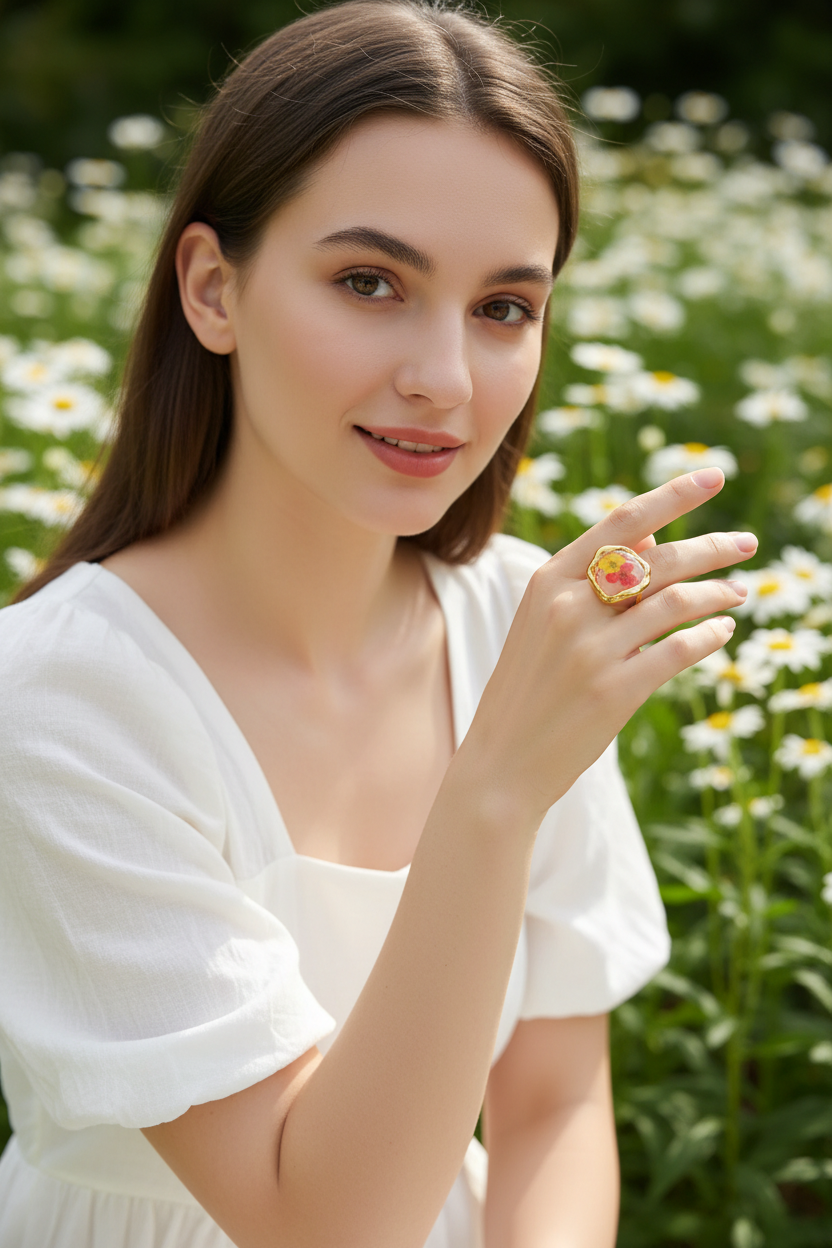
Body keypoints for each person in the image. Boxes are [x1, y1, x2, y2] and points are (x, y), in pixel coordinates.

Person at [0, 2, 757, 1245]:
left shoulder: (523, 617)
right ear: (211, 288)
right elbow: (326, 1224)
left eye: (504, 307)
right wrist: (493, 789)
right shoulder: (59, 700)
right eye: (370, 282)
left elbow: (555, 1098)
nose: (445, 381)